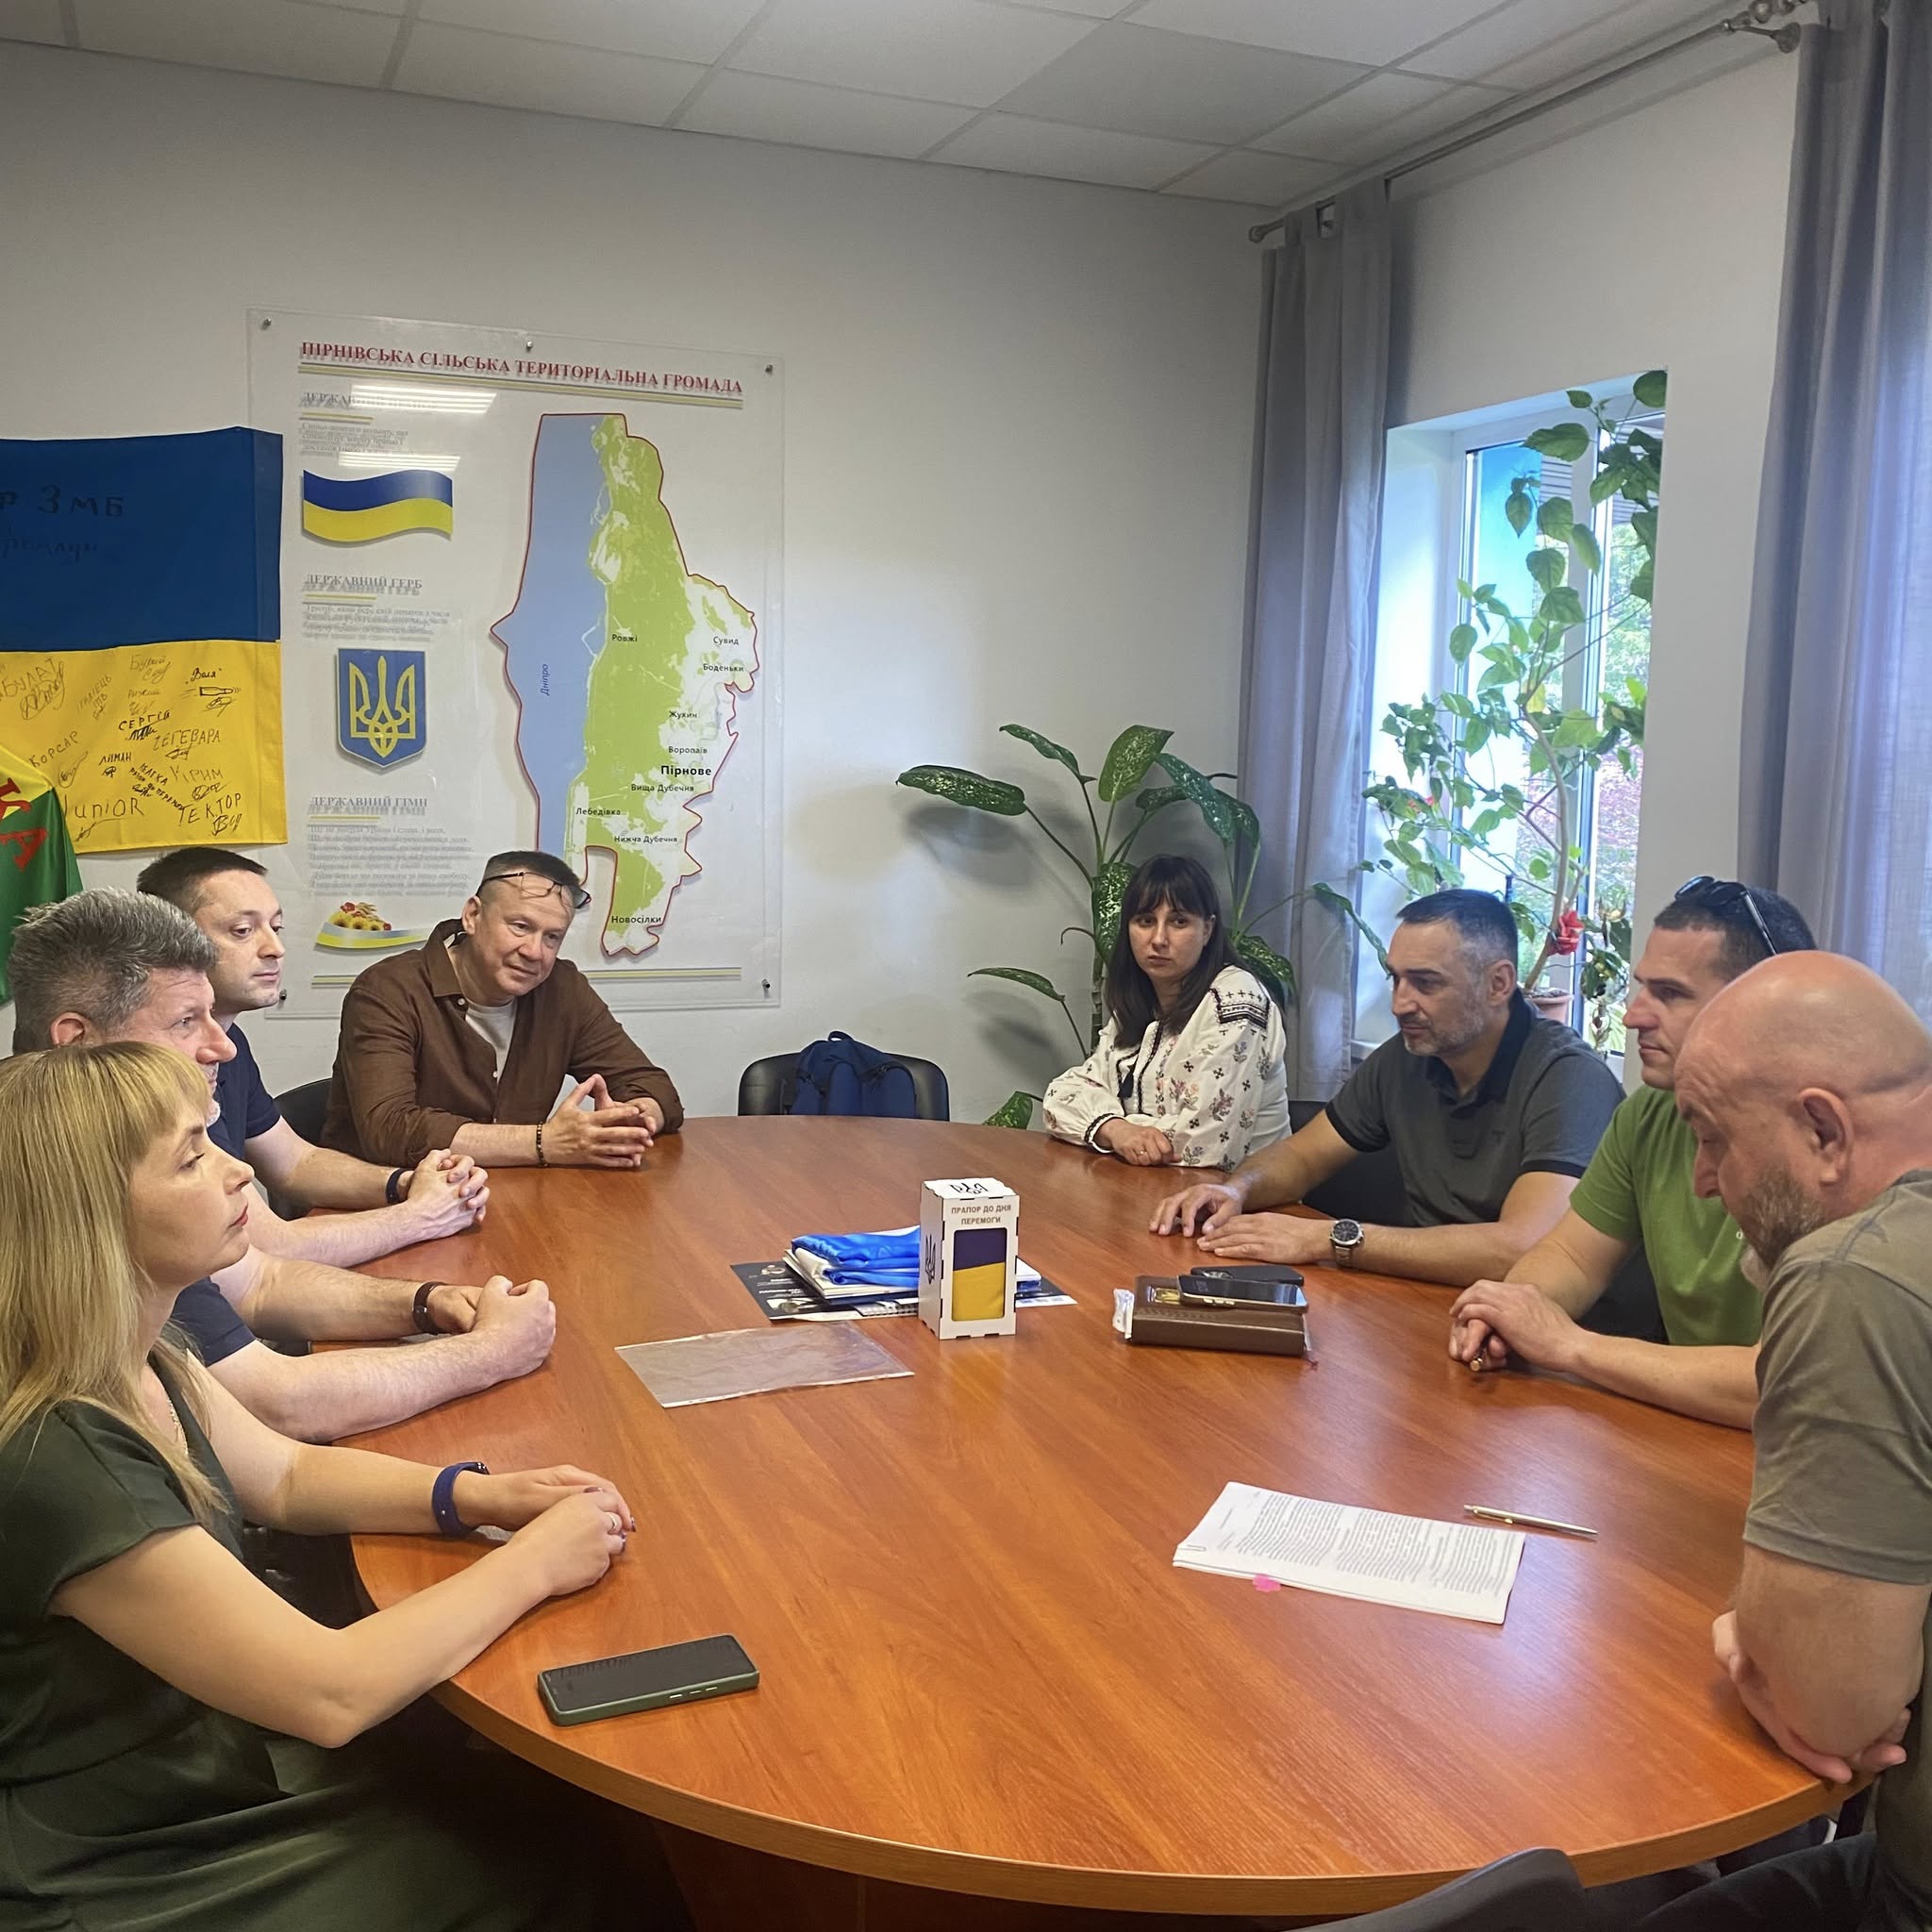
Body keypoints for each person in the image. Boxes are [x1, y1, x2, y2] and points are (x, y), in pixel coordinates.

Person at [0, 1041, 662, 1931]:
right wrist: (535, 1561)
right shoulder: (59, 1451)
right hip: (114, 1858)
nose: (239, 1170)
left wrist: (475, 1496)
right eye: (192, 1158)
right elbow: (331, 1692)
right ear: (85, 1216)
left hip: (191, 1760)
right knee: (573, 1870)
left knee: (543, 1809)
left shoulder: (141, 1352)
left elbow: (286, 1474)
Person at [8, 891, 555, 1442]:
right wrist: (492, 1351)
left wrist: (430, 1302)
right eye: (185, 1022)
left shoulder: (115, 1147)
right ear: (77, 1042)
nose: (222, 1047)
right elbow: (279, 1404)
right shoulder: (83, 1191)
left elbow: (258, 1281)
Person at [1633, 954, 1932, 1932]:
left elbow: (1828, 1711)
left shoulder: (1855, 1276)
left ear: (1823, 1131)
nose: (1702, 1182)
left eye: (1712, 1138)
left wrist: (1743, 1638)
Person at [1447, 878, 1816, 1426]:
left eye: (1669, 994)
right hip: (1687, 1429)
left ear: (1762, 1007)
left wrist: (1571, 1345)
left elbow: (1787, 1382)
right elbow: (1573, 1257)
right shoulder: (1650, 1112)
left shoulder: (1827, 1146)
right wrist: (1510, 1312)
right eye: (1642, 988)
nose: (1632, 1016)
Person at [1151, 888, 1622, 1288]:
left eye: (1425, 983)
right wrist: (1237, 1191)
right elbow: (1303, 1156)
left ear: (1498, 984)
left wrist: (1330, 1239)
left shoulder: (1569, 1079)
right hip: (1437, 1304)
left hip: (1564, 1340)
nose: (1400, 1004)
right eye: (1396, 979)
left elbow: (1523, 1247)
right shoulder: (1408, 1056)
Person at [136, 844, 490, 1267]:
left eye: (276, 927)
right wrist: (422, 1216)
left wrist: (406, 1183)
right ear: (172, 942)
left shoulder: (231, 1042)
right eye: (243, 931)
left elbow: (295, 1165)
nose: (275, 948)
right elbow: (268, 1245)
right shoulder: (151, 1066)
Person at [321, 849, 684, 1170]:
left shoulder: (562, 989)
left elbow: (653, 1086)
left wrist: (632, 1119)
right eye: (520, 927)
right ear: (472, 916)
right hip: (384, 1198)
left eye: (552, 937)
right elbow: (389, 1129)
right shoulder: (388, 990)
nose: (535, 952)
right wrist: (545, 1143)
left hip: (507, 1194)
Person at [1042, 855, 1287, 1168]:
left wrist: (1116, 1124)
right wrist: (1116, 1129)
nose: (1158, 939)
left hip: (1243, 1194)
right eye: (1145, 921)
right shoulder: (1140, 1003)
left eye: (1179, 921)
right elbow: (1061, 1097)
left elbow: (1205, 1146)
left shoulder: (1237, 1000)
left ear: (1207, 930)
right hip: (1150, 1184)